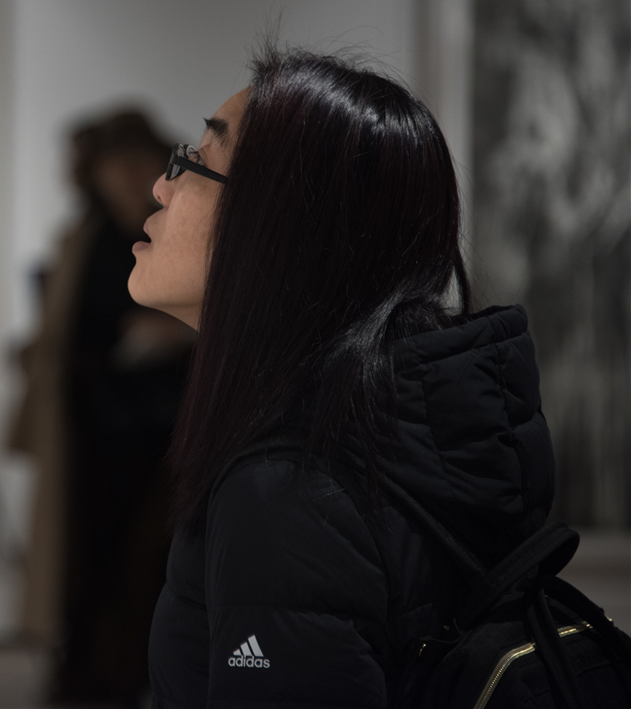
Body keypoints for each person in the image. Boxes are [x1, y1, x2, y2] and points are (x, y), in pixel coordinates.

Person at [130, 47, 555, 707]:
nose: (161, 187)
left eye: (196, 162)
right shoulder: (420, 440)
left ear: (279, 226)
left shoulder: (289, 492)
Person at [11, 110, 194, 706]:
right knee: (86, 565)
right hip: (93, 434)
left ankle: (130, 678)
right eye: (116, 166)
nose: (129, 179)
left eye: (140, 164)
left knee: (150, 568)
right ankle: (87, 680)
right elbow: (68, 335)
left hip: (167, 434)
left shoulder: (181, 234)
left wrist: (177, 334)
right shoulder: (85, 241)